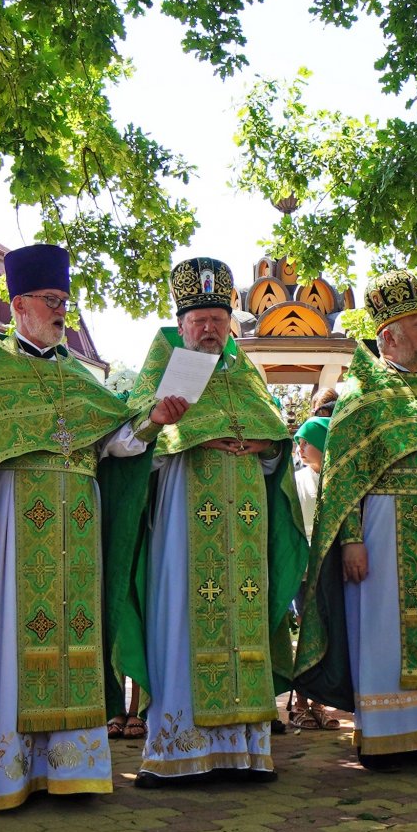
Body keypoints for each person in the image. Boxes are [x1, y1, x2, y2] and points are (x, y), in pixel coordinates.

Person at [0, 244, 182, 808]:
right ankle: (9, 773)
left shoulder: (79, 377)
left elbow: (114, 444)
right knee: (4, 649)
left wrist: (151, 422)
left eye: (64, 303)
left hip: (76, 533)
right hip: (8, 529)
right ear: (19, 304)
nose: (60, 313)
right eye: (51, 302)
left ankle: (70, 768)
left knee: (75, 642)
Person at [100, 258, 307, 786]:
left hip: (245, 526)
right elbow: (128, 447)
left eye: (218, 317)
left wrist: (257, 445)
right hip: (181, 525)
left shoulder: (246, 375)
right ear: (181, 322)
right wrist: (160, 423)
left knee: (244, 623)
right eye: (199, 319)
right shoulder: (162, 372)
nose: (210, 327)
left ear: (230, 322)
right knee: (182, 620)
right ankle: (179, 752)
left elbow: (274, 453)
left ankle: (243, 752)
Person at [293, 270, 417, 768]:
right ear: (389, 337)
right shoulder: (362, 393)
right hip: (387, 531)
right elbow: (343, 477)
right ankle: (388, 733)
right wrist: (351, 539)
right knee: (388, 633)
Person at [287, 417, 341, 730]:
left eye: (307, 441)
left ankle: (319, 702)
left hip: (330, 566)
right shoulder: (296, 480)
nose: (301, 448)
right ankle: (300, 704)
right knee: (306, 631)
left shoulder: (338, 480)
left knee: (327, 633)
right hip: (304, 568)